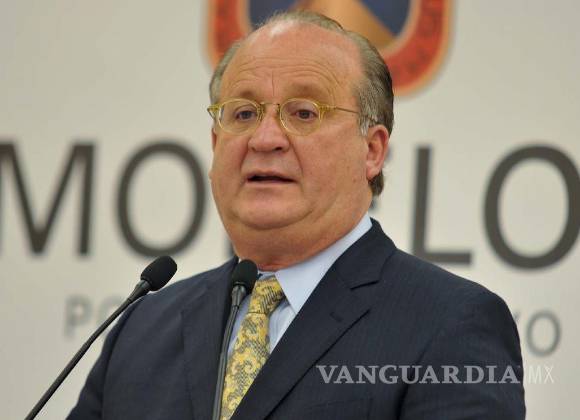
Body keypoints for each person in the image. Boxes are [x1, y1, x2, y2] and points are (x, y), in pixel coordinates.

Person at [68, 11, 525, 420]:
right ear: (215, 145)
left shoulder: (451, 323)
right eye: (243, 114)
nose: (265, 139)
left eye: (304, 113)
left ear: (372, 151)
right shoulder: (142, 328)